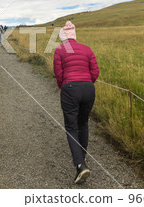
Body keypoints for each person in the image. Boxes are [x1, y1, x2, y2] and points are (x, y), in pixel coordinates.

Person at [53, 21, 99, 184]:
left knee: (71, 127)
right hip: (88, 88)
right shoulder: (87, 49)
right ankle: (82, 158)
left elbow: (58, 73)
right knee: (83, 124)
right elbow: (95, 71)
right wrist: (87, 82)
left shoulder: (59, 50)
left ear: (63, 37)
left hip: (69, 88)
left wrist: (64, 86)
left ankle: (80, 165)